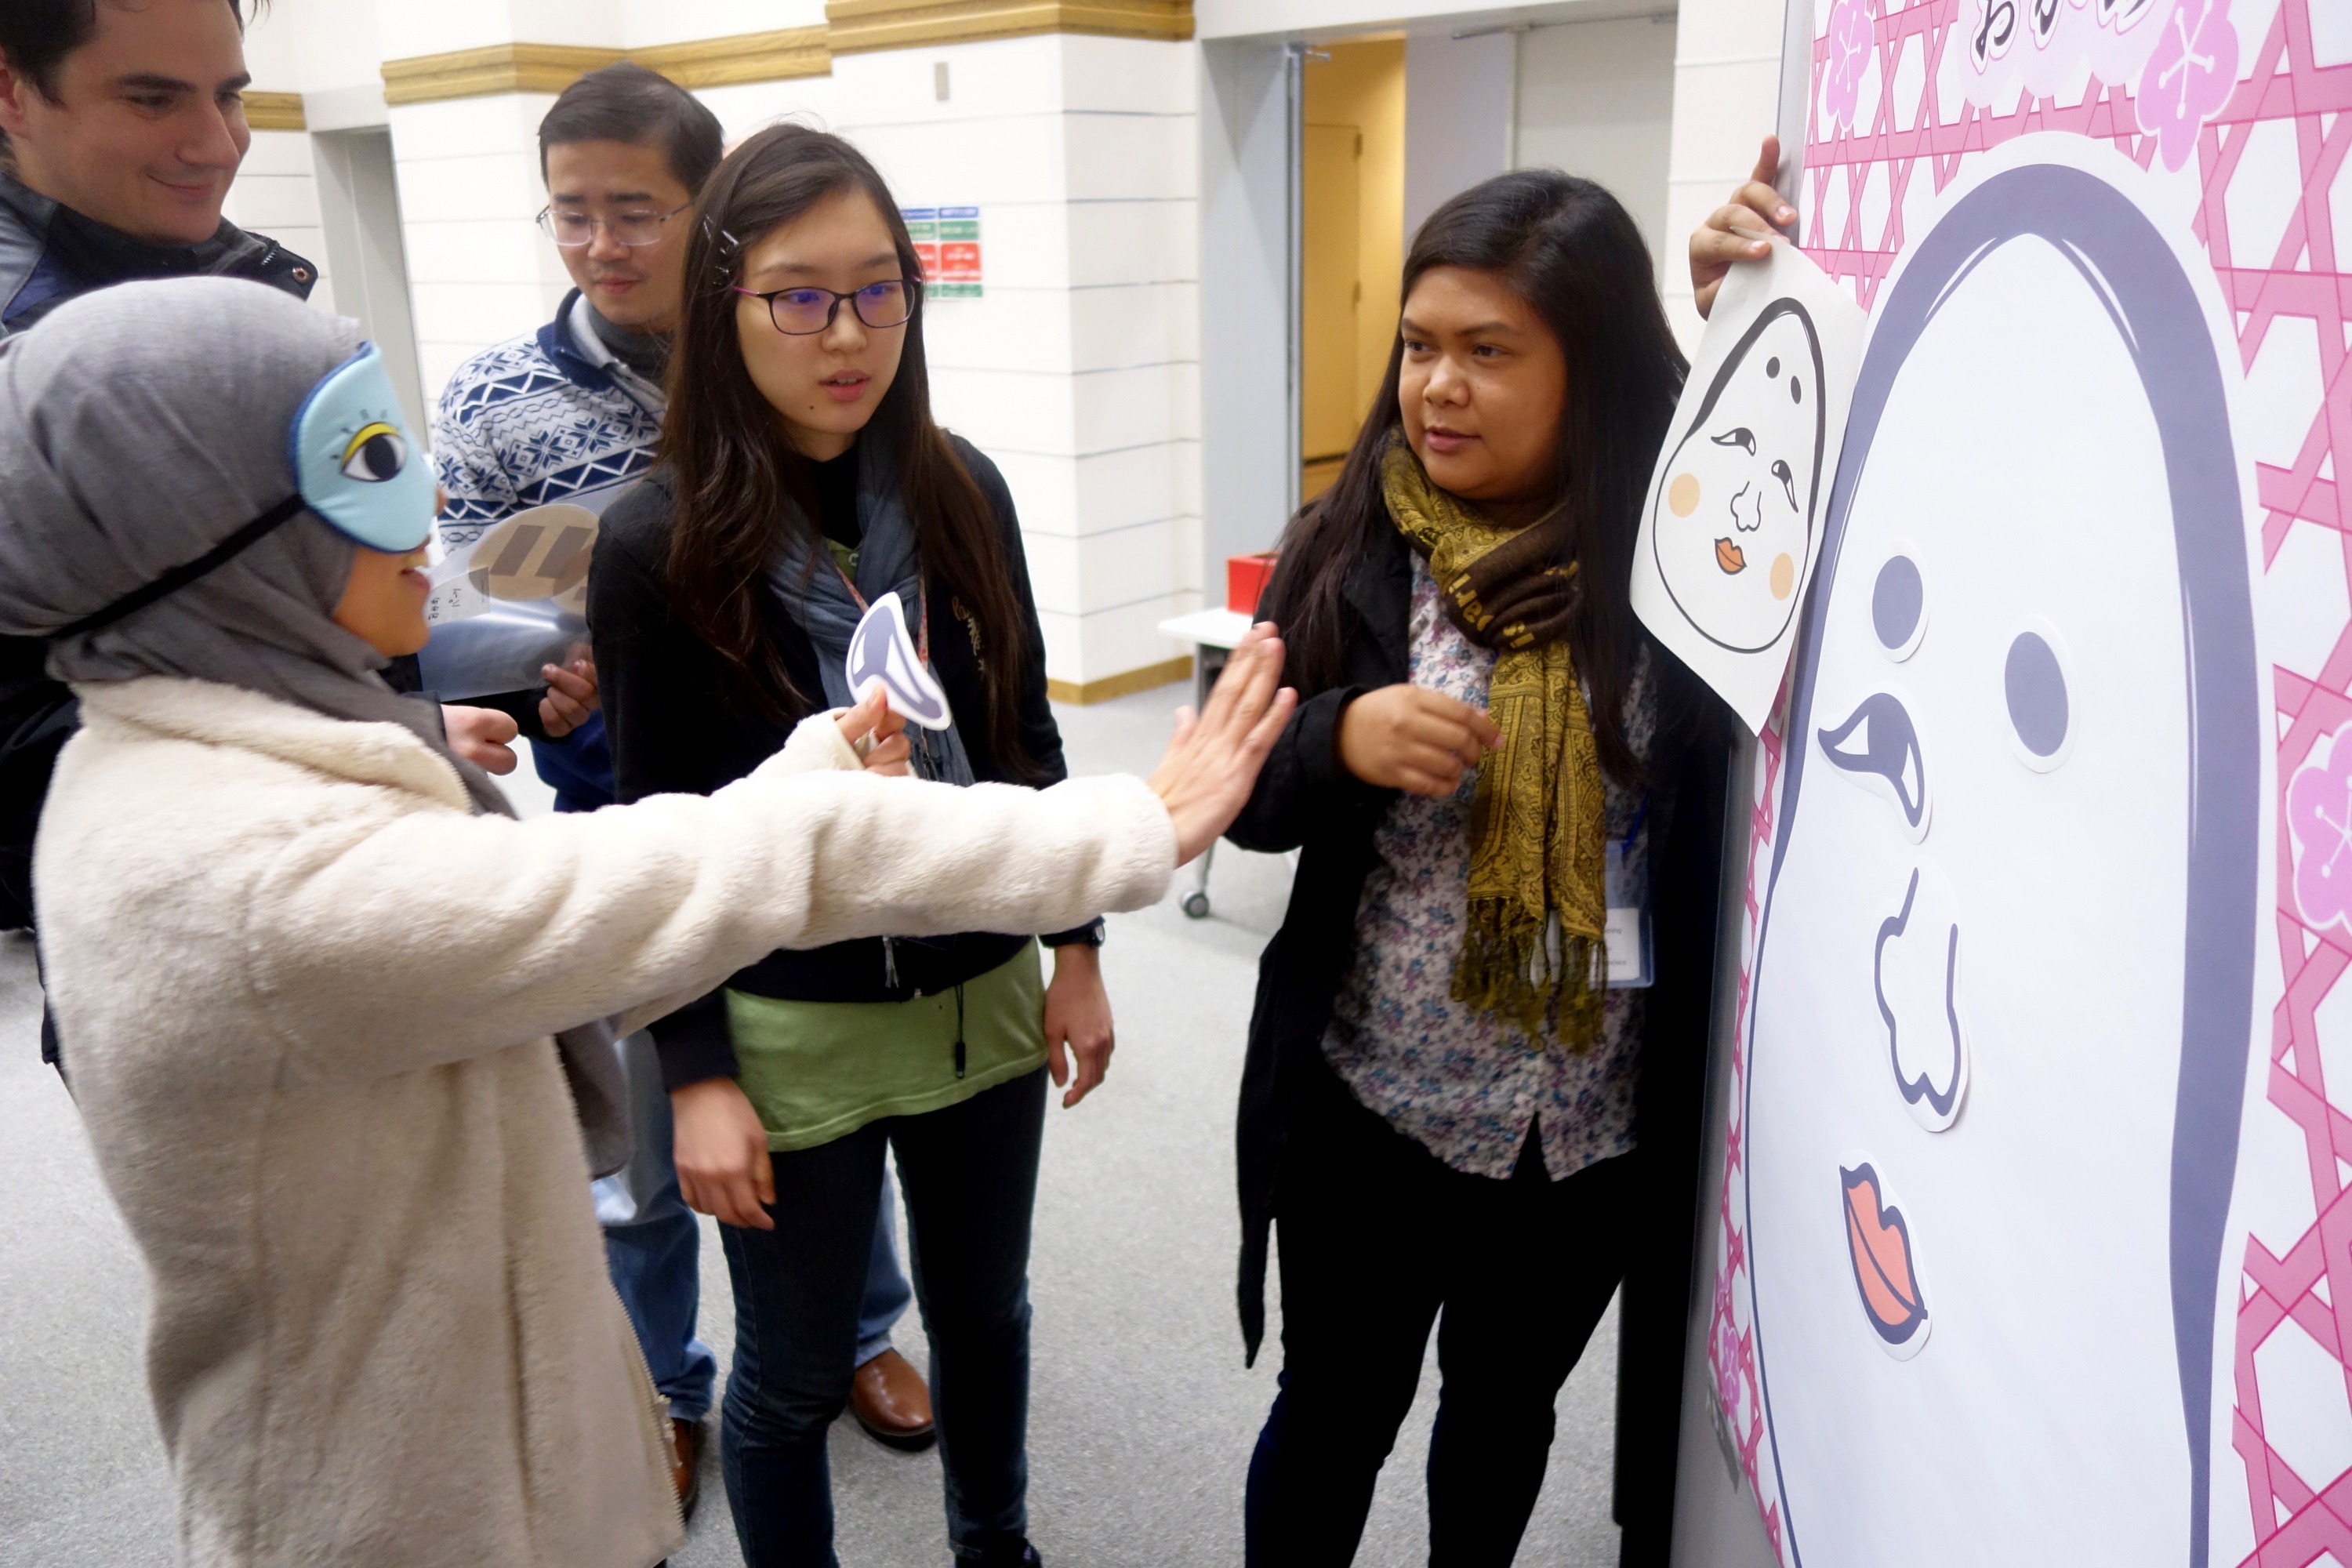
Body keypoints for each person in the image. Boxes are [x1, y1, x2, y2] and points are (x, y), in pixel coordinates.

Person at [0, 275, 1292, 1568]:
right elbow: (676, 880)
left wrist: (815, 769)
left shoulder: (169, 767)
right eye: (371, 460)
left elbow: (675, 858)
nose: (433, 509)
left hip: (455, 1438)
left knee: (978, 1306)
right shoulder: (244, 884)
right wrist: (1129, 830)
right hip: (422, 1507)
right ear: (206, 527)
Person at [590, 124, 1117, 1568]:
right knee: (794, 1368)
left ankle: (994, 1544)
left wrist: (1075, 949)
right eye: (799, 296)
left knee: (987, 1315)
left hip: (981, 1009)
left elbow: (1021, 744)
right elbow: (661, 840)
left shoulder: (964, 494)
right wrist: (693, 1077)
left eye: (881, 290)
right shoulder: (660, 542)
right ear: (725, 306)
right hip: (789, 1029)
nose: (849, 335)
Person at [428, 63, 936, 1509]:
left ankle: (858, 1332)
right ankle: (663, 1381)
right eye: (573, 215)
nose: (604, 244)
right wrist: (526, 677)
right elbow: (458, 589)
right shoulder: (497, 395)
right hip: (621, 814)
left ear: (708, 208)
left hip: (822, 807)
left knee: (835, 1098)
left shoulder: (796, 360)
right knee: (654, 1132)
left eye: (636, 211)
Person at [1224, 169, 1733, 1567]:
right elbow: (1233, 800)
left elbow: (1769, 470)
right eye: (1419, 344)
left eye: (1489, 352)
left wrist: (1730, 311)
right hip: (1373, 1107)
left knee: (1505, 1418)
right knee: (1334, 1410)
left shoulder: (1673, 548)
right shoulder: (1346, 546)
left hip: (1584, 1128)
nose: (1437, 388)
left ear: (1596, 365)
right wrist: (1338, 739)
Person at [0, 0, 510, 1025]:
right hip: (199, 951)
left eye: (230, 94)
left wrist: (445, 690)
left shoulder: (234, 269)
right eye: (152, 99)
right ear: (12, 89)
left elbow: (285, 598)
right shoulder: (28, 368)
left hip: (362, 866)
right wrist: (363, 742)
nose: (218, 142)